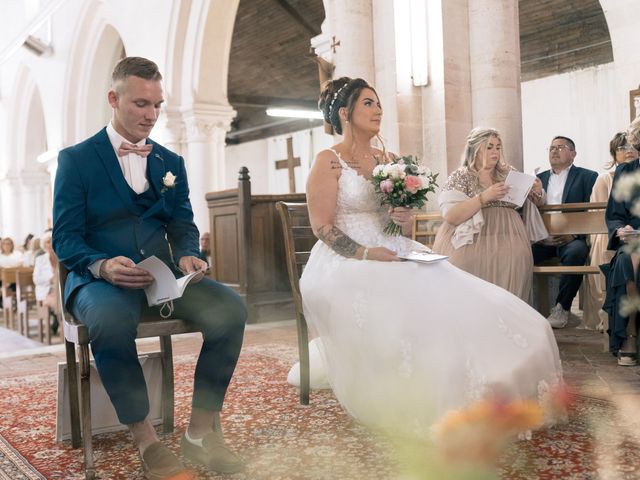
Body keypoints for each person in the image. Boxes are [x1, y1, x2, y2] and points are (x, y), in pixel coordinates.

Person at [289, 76, 562, 439]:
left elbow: (396, 223)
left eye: (379, 103)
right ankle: (421, 385)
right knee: (404, 293)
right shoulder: (329, 161)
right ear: (344, 112)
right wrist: (367, 254)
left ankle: (481, 373)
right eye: (368, 103)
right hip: (345, 259)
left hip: (392, 246)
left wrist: (402, 218)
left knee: (446, 280)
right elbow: (321, 226)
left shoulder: (389, 160)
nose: (378, 110)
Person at [52, 57, 246, 478]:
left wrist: (188, 254)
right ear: (113, 99)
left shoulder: (169, 162)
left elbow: (182, 223)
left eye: (157, 105)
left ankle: (198, 432)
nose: (152, 115)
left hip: (161, 280)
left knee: (231, 308)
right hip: (99, 283)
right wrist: (101, 265)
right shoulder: (76, 160)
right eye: (141, 104)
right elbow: (65, 238)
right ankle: (146, 439)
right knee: (110, 320)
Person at [432, 127, 544, 301]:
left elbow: (533, 203)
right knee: (465, 261)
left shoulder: (508, 172)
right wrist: (484, 197)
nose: (495, 152)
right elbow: (451, 216)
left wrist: (536, 191)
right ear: (475, 149)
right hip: (473, 237)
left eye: (498, 147)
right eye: (489, 147)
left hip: (510, 236)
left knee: (516, 259)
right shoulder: (461, 176)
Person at [533, 137, 598, 328]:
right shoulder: (539, 179)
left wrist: (576, 235)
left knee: (577, 252)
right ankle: (522, 306)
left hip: (571, 238)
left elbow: (591, 210)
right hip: (542, 237)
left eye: (560, 147)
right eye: (551, 148)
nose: (554, 151)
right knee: (520, 251)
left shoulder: (588, 176)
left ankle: (562, 307)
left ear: (573, 154)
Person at [582, 133, 639, 331]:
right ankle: (606, 317)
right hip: (606, 232)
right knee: (609, 250)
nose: (628, 150)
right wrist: (620, 230)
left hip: (630, 233)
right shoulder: (605, 179)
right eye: (622, 148)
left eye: (632, 146)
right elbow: (599, 214)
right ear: (614, 154)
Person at [604, 118, 640, 365]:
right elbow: (614, 215)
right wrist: (621, 230)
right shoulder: (625, 171)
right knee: (628, 258)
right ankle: (630, 332)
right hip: (633, 240)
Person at [32, 231, 60, 335]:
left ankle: (60, 321)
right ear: (44, 244)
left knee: (63, 299)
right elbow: (36, 279)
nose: (50, 244)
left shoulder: (61, 258)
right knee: (58, 302)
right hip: (46, 291)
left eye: (52, 241)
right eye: (48, 242)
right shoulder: (40, 259)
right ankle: (60, 322)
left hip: (59, 290)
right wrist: (50, 279)